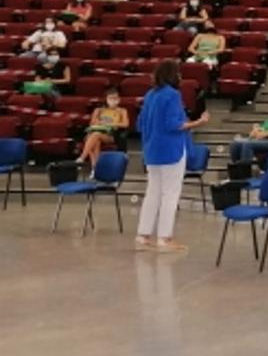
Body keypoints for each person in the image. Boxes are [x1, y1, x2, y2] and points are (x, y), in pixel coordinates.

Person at [135, 60, 209, 252]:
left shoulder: (150, 95)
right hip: (170, 150)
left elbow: (139, 123)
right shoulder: (172, 95)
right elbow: (174, 125)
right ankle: (164, 238)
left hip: (151, 150)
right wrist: (199, 122)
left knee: (153, 192)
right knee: (170, 194)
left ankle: (143, 235)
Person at [77, 87, 129, 171]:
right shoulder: (98, 110)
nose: (113, 100)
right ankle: (95, 168)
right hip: (97, 132)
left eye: (116, 98)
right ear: (106, 99)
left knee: (95, 136)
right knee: (95, 140)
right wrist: (99, 122)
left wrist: (111, 123)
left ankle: (82, 157)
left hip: (111, 135)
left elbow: (126, 124)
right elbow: (92, 123)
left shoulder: (122, 111)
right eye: (111, 98)